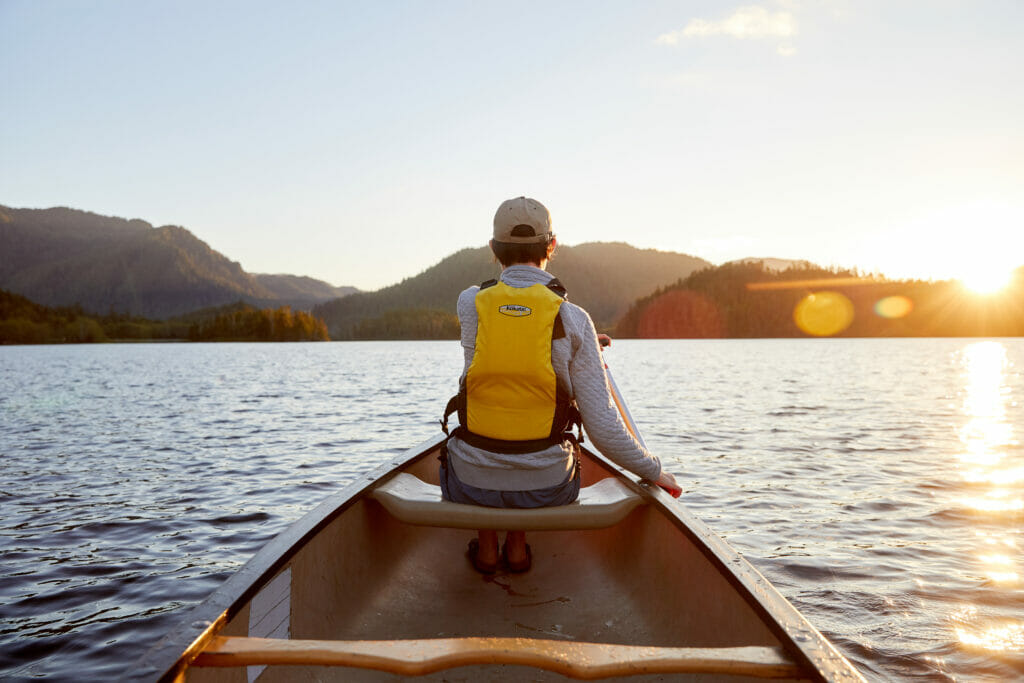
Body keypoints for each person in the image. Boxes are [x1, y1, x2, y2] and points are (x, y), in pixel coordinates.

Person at [440, 196, 681, 573]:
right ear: (552, 246)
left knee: (483, 442)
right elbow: (602, 429)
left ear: (492, 249)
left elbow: (511, 336)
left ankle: (488, 551)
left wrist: (578, 342)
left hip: (469, 482)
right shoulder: (573, 318)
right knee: (536, 450)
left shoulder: (469, 302)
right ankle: (517, 552)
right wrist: (654, 470)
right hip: (548, 488)